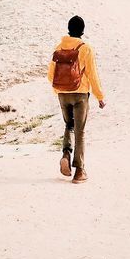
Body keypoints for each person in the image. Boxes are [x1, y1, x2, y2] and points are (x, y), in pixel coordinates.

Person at [48, 14, 105, 183]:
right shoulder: (85, 48)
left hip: (62, 94)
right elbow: (92, 75)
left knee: (68, 125)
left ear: (69, 29)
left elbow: (50, 74)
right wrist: (100, 96)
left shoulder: (59, 47)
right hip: (80, 94)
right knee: (80, 131)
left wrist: (59, 90)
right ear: (82, 30)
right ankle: (79, 171)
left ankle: (66, 153)